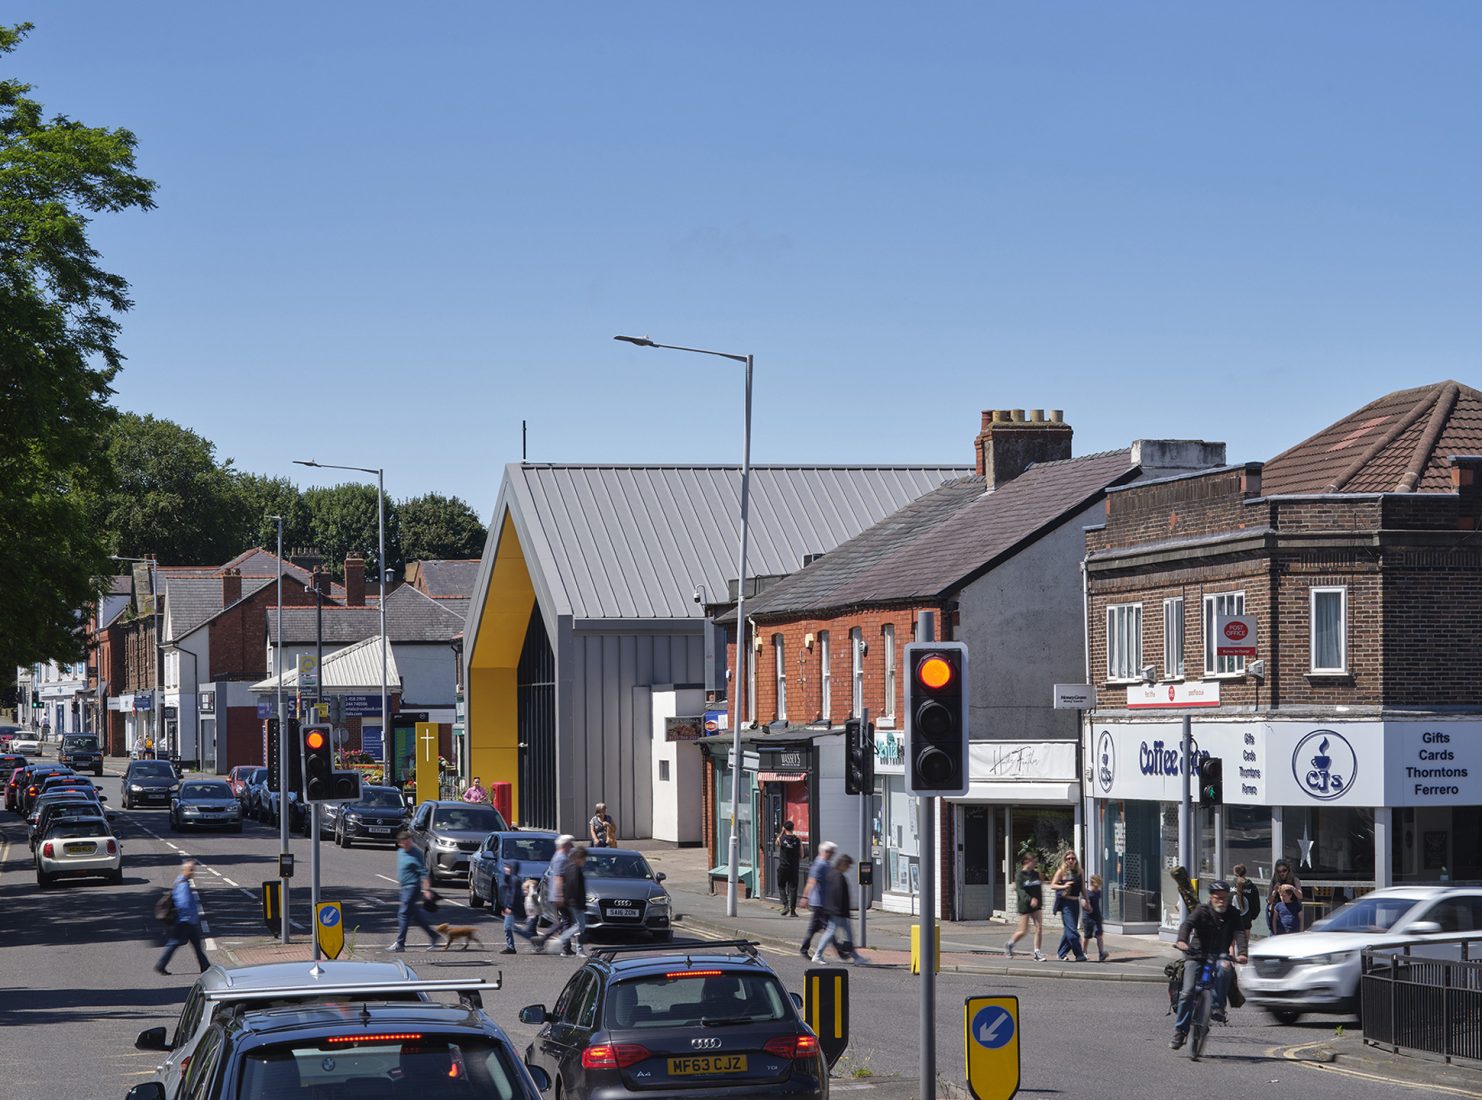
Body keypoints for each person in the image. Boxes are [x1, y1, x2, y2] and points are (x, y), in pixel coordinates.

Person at [1170, 879, 1247, 1049]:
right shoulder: (1202, 911)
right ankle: (1180, 1031)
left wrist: (1242, 953)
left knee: (1225, 967)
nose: (1221, 901)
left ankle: (1217, 1007)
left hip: (1219, 955)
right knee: (1187, 992)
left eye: (1224, 898)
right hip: (1196, 954)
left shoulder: (1232, 913)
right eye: (1218, 897)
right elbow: (1187, 924)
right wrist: (1182, 941)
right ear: (1211, 897)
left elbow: (1239, 933)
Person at [390, 829, 443, 952]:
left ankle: (400, 944)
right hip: (404, 888)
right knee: (415, 915)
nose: (408, 844)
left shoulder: (416, 853)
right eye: (405, 842)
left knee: (403, 913)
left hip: (412, 887)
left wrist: (426, 890)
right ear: (400, 843)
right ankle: (434, 935)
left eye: (409, 841)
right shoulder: (400, 852)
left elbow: (423, 873)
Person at [155, 860, 210, 975]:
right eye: (190, 870)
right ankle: (160, 965)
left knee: (195, 946)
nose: (192, 872)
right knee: (174, 944)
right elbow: (183, 903)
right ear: (184, 870)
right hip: (185, 922)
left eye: (193, 870)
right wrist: (189, 917)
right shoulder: (183, 885)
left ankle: (205, 967)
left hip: (187, 921)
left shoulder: (182, 882)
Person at [813, 854, 867, 966]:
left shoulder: (832, 874)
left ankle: (856, 957)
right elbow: (838, 896)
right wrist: (842, 911)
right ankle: (817, 955)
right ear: (843, 864)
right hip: (838, 911)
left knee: (849, 934)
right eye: (848, 866)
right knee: (830, 932)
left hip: (837, 911)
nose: (849, 868)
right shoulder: (838, 877)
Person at [798, 840, 838, 959]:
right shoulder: (820, 864)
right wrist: (805, 897)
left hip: (824, 901)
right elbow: (811, 881)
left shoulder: (825, 863)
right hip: (819, 902)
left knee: (816, 927)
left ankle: (804, 949)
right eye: (831, 852)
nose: (832, 855)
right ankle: (838, 951)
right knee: (829, 927)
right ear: (825, 852)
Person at [1005, 852, 1048, 962]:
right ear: (1026, 862)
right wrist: (1030, 899)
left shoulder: (1036, 874)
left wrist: (1039, 902)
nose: (1035, 863)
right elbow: (1020, 891)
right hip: (1025, 905)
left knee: (1039, 928)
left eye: (1035, 861)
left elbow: (1039, 887)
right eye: (1033, 861)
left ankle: (1037, 952)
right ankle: (1010, 944)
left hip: (1036, 905)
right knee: (1023, 930)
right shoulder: (1020, 875)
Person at [1049, 852, 1089, 962]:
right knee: (1072, 931)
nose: (1070, 860)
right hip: (1065, 904)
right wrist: (1064, 885)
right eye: (1068, 858)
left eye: (1073, 858)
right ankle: (1079, 954)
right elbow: (1052, 885)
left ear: (1076, 860)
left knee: (1068, 930)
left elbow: (1082, 888)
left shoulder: (1080, 871)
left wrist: (1087, 901)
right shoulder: (1061, 871)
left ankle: (1061, 953)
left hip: (1075, 903)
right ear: (1065, 860)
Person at [496, 855, 535, 954]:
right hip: (510, 907)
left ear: (512, 868)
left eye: (507, 867)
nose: (505, 869)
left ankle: (531, 940)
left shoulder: (514, 880)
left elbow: (513, 895)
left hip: (513, 907)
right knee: (509, 927)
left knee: (509, 928)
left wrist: (509, 907)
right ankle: (512, 946)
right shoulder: (511, 878)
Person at [555, 846, 589, 957]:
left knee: (577, 925)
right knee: (580, 926)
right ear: (579, 858)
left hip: (571, 901)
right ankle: (578, 949)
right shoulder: (575, 869)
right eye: (584, 858)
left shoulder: (568, 867)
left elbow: (567, 884)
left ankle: (567, 944)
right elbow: (574, 886)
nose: (585, 861)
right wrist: (576, 901)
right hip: (576, 902)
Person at [1231, 863, 1261, 956]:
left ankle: (1231, 964)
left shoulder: (1230, 885)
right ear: (1245, 873)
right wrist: (1252, 916)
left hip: (1232, 919)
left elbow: (1227, 901)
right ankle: (1243, 963)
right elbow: (1256, 906)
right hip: (1246, 920)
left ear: (1234, 872)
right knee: (1244, 946)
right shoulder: (1252, 887)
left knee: (1231, 945)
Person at [1266, 861, 1304, 933]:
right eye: (1279, 871)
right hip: (1278, 911)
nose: (1282, 873)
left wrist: (1292, 888)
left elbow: (1300, 896)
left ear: (1288, 870)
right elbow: (1269, 901)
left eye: (1284, 870)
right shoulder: (1274, 880)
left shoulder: (1294, 879)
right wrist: (1275, 891)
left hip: (1292, 911)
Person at [775, 820, 802, 917]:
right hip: (794, 868)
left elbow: (776, 842)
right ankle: (793, 911)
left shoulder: (782, 839)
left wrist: (782, 832)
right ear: (793, 828)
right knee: (793, 889)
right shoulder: (798, 840)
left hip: (783, 867)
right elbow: (802, 855)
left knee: (781, 885)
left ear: (784, 828)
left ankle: (785, 905)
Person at [1082, 873, 1108, 962]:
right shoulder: (1087, 892)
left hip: (1097, 917)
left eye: (1098, 887)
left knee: (1099, 934)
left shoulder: (1098, 892)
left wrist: (1100, 916)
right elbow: (1082, 902)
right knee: (1087, 936)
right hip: (1088, 917)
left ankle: (1101, 953)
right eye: (1096, 887)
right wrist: (1087, 906)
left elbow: (1097, 904)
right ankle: (1083, 952)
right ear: (1092, 883)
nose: (1097, 889)